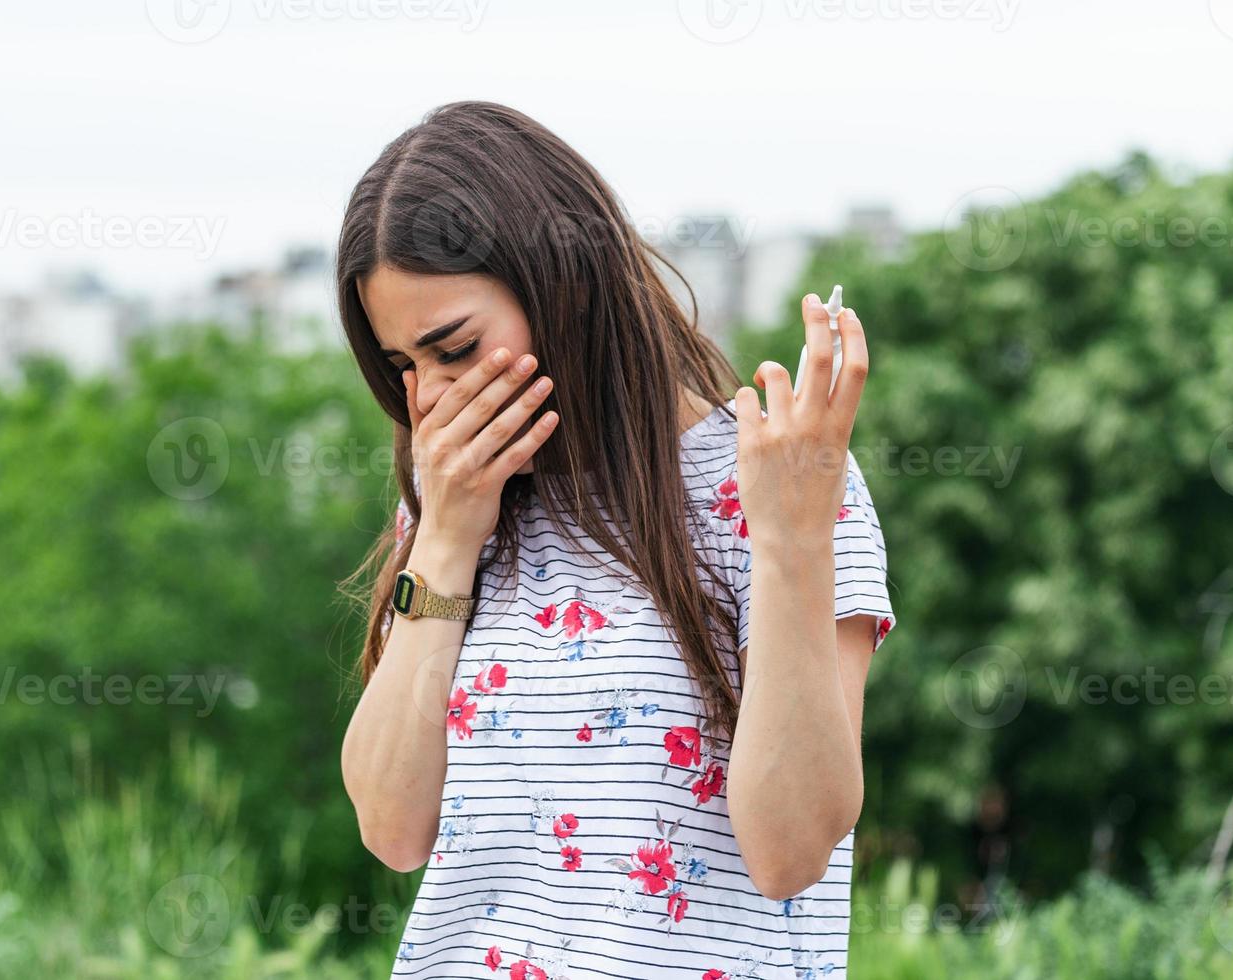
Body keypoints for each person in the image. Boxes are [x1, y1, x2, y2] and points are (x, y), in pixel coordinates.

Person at [338, 100, 895, 980]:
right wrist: (443, 539)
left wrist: (789, 542)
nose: (431, 401)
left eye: (455, 349)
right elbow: (393, 829)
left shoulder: (774, 484)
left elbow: (789, 851)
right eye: (405, 367)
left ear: (563, 285)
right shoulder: (456, 503)